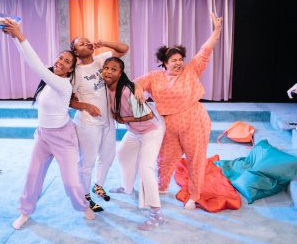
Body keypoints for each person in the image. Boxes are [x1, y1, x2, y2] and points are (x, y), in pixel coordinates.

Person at [1, 19, 95, 230]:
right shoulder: (48, 78)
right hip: (43, 136)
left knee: (71, 183)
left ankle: (83, 206)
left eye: (67, 62)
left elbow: (34, 63)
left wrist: (20, 34)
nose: (61, 62)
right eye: (60, 58)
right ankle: (25, 212)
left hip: (63, 138)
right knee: (31, 176)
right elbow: (28, 60)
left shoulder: (63, 84)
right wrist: (15, 37)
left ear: (71, 70)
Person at [135, 13, 223, 210]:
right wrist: (139, 89)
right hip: (168, 125)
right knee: (164, 158)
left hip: (194, 121)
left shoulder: (191, 71)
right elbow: (134, 84)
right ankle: (161, 186)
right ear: (164, 62)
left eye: (180, 59)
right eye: (173, 60)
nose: (178, 62)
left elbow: (205, 49)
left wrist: (216, 30)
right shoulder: (155, 77)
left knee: (196, 159)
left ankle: (194, 195)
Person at [102, 57, 166, 230]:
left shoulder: (126, 91)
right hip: (135, 130)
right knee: (123, 153)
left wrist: (122, 119)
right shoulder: (105, 89)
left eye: (113, 69)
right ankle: (127, 187)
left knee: (146, 168)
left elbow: (147, 116)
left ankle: (156, 213)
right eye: (106, 67)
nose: (108, 71)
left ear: (120, 73)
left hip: (151, 129)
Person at [70, 37, 129, 212]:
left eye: (87, 41)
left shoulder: (101, 59)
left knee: (108, 157)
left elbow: (124, 48)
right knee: (87, 162)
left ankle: (98, 186)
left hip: (108, 120)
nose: (86, 43)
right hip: (88, 123)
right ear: (75, 52)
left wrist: (104, 43)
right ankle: (84, 196)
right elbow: (69, 101)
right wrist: (86, 106)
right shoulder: (75, 73)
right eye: (81, 43)